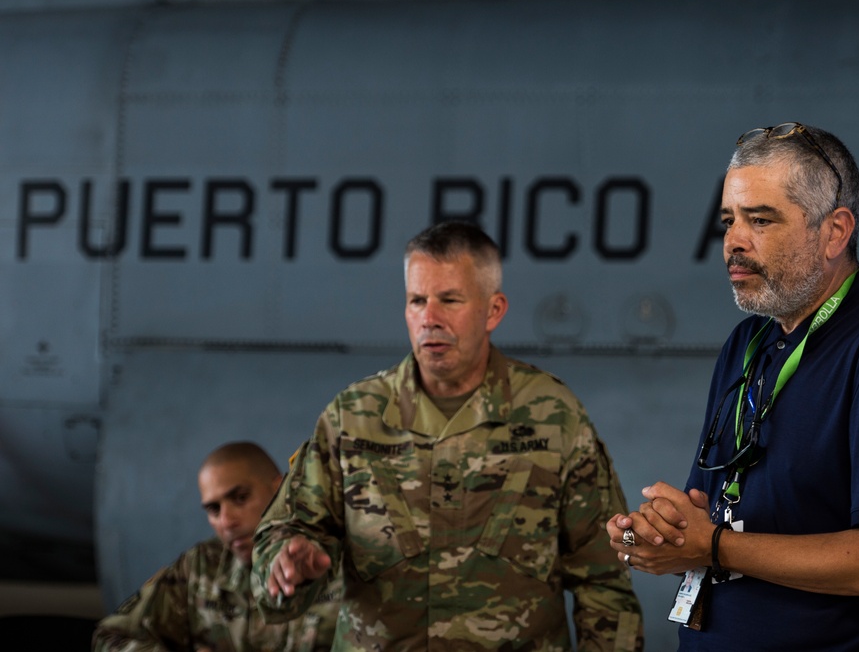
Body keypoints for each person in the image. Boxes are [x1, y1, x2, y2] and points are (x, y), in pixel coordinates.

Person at [607, 122, 859, 650]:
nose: (733, 243)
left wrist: (714, 546)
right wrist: (660, 535)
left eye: (761, 220)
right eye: (729, 221)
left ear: (835, 231)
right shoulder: (750, 342)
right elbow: (711, 516)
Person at [251, 221, 643, 650]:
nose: (429, 319)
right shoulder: (352, 417)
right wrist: (286, 565)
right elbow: (284, 539)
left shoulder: (553, 415)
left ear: (494, 310)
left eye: (449, 300)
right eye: (416, 301)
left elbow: (607, 576)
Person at [93, 442, 340, 652]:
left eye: (240, 498)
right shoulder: (201, 567)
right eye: (214, 509)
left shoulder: (343, 564)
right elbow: (110, 636)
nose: (226, 521)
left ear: (280, 490)